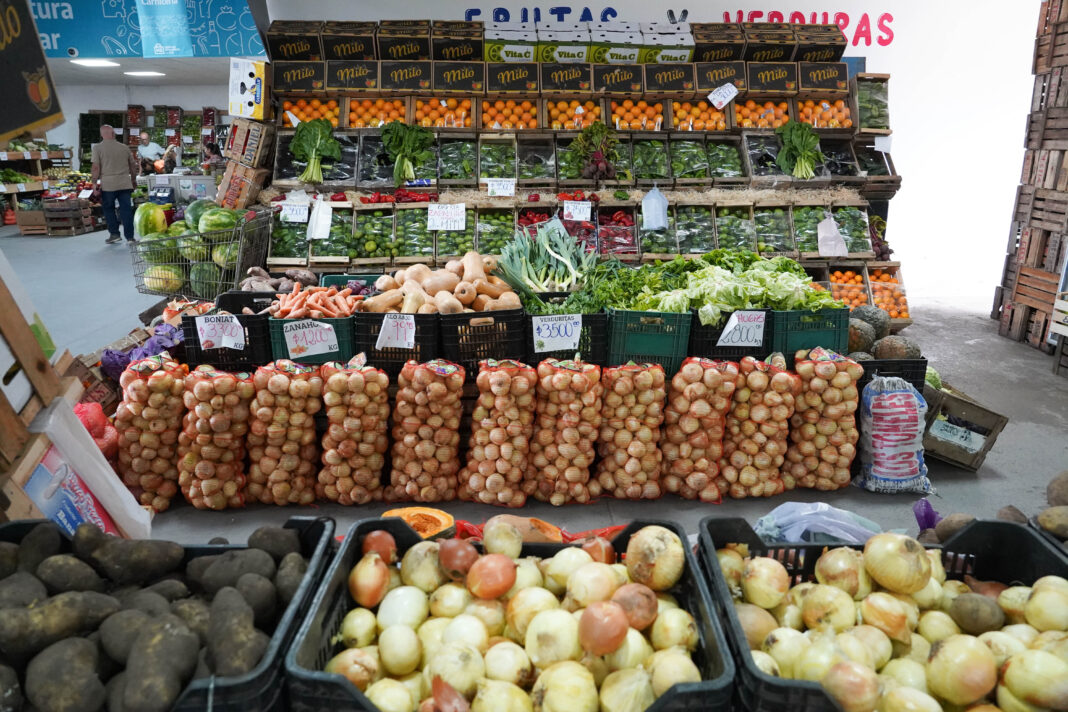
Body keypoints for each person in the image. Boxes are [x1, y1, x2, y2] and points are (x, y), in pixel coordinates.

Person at [90, 125, 139, 244]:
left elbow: (96, 167)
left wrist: (94, 183)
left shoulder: (98, 148)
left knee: (109, 209)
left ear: (102, 134)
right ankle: (130, 237)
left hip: (108, 185)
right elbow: (133, 166)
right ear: (113, 134)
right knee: (126, 210)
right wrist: (133, 179)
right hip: (124, 183)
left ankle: (114, 234)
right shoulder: (124, 147)